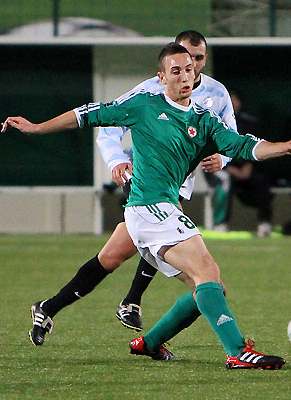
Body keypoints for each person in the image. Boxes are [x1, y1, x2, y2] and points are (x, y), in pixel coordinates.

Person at [2, 42, 291, 369]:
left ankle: (148, 343)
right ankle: (236, 352)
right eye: (176, 71)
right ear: (162, 77)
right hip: (149, 208)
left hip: (159, 211)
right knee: (207, 272)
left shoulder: (205, 119)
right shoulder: (144, 105)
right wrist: (36, 127)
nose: (184, 77)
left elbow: (243, 145)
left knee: (211, 288)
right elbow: (88, 114)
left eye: (189, 69)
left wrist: (283, 148)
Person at [97, 30, 235, 331]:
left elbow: (231, 136)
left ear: (205, 58)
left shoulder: (216, 93)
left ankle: (57, 306)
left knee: (118, 253)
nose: (191, 67)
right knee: (156, 240)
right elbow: (107, 125)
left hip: (180, 179)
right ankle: (133, 301)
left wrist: (223, 159)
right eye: (185, 59)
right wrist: (116, 160)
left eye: (198, 60)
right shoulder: (150, 90)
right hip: (145, 175)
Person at [223, 90, 274, 237]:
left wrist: (248, 166)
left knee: (262, 181)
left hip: (248, 168)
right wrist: (230, 169)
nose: (233, 103)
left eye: (235, 100)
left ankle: (264, 224)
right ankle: (221, 223)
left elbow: (257, 147)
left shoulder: (250, 123)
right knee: (225, 182)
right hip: (226, 169)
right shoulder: (216, 122)